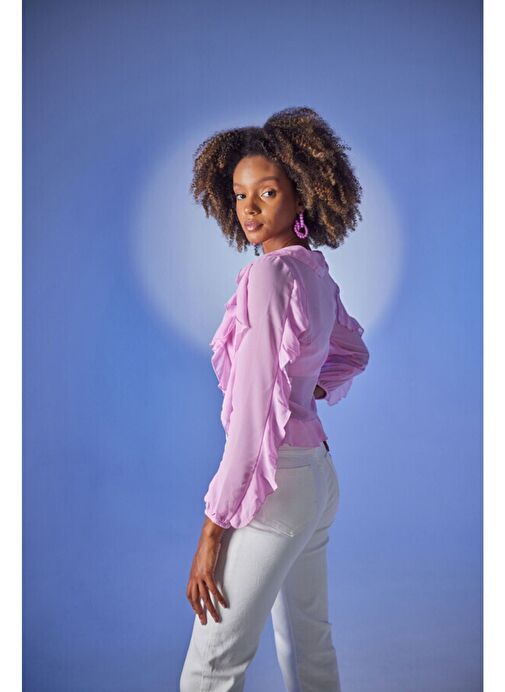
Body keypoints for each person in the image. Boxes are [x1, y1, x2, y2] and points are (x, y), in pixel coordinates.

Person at [180, 106, 370, 691]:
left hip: (278, 487)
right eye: (240, 195)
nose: (250, 208)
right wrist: (302, 389)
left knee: (213, 664)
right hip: (318, 479)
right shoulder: (313, 270)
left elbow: (253, 420)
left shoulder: (267, 277)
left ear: (302, 193)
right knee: (309, 642)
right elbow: (353, 352)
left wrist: (212, 531)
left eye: (266, 192)